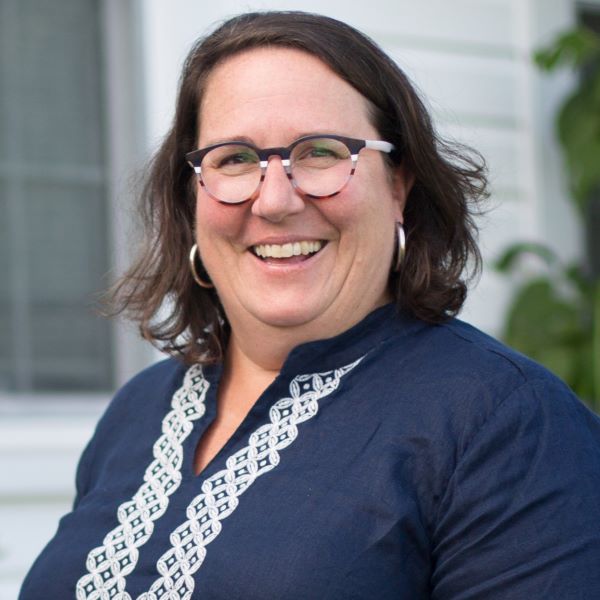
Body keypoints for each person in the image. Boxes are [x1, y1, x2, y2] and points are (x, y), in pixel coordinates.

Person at [20, 10, 600, 600]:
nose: (274, 200)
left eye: (321, 152)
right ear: (192, 196)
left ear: (399, 185)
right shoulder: (138, 412)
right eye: (234, 159)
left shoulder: (507, 423)